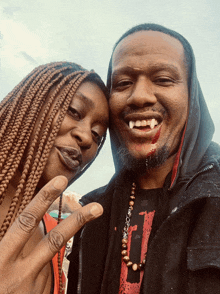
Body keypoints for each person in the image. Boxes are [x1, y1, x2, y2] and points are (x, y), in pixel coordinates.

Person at [67, 23, 220, 294]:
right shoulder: (91, 214)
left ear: (192, 96)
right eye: (123, 83)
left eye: (163, 79)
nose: (139, 97)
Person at [0, 61, 109, 294]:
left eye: (97, 134)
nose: (86, 138)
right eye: (74, 111)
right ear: (29, 105)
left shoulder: (51, 229)